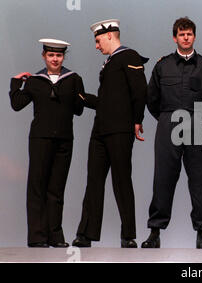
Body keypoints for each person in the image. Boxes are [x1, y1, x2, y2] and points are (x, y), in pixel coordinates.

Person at [143, 17, 202, 249]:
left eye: (189, 34)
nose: (185, 37)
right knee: (163, 179)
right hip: (168, 124)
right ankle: (154, 232)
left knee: (201, 180)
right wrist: (167, 120)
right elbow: (152, 100)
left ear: (194, 36)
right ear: (174, 37)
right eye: (181, 34)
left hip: (197, 125)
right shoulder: (162, 65)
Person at [72, 19, 148, 248]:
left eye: (97, 41)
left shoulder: (129, 56)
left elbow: (140, 90)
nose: (96, 46)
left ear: (109, 36)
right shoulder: (109, 62)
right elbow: (106, 102)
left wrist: (137, 120)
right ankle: (85, 234)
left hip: (120, 131)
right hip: (100, 131)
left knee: (121, 180)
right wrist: (77, 96)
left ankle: (128, 236)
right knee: (93, 181)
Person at [9, 39, 85, 248]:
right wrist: (16, 83)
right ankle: (37, 237)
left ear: (63, 57)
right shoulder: (35, 80)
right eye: (51, 55)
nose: (55, 59)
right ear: (44, 56)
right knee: (37, 188)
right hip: (40, 139)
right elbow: (17, 104)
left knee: (56, 189)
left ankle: (55, 236)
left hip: (64, 140)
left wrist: (77, 95)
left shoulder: (73, 79)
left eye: (59, 55)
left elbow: (78, 109)